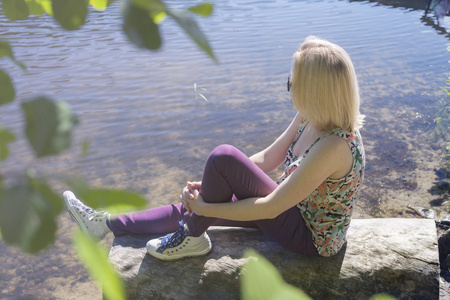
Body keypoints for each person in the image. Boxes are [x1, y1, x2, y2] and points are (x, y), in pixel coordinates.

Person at [63, 35, 365, 260]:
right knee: (201, 195)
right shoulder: (310, 117)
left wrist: (207, 205)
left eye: (293, 82)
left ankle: (192, 236)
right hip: (288, 209)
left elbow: (273, 206)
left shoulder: (334, 146)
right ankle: (104, 223)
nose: (289, 87)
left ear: (315, 92)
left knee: (220, 161)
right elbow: (268, 158)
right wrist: (213, 185)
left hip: (308, 238)